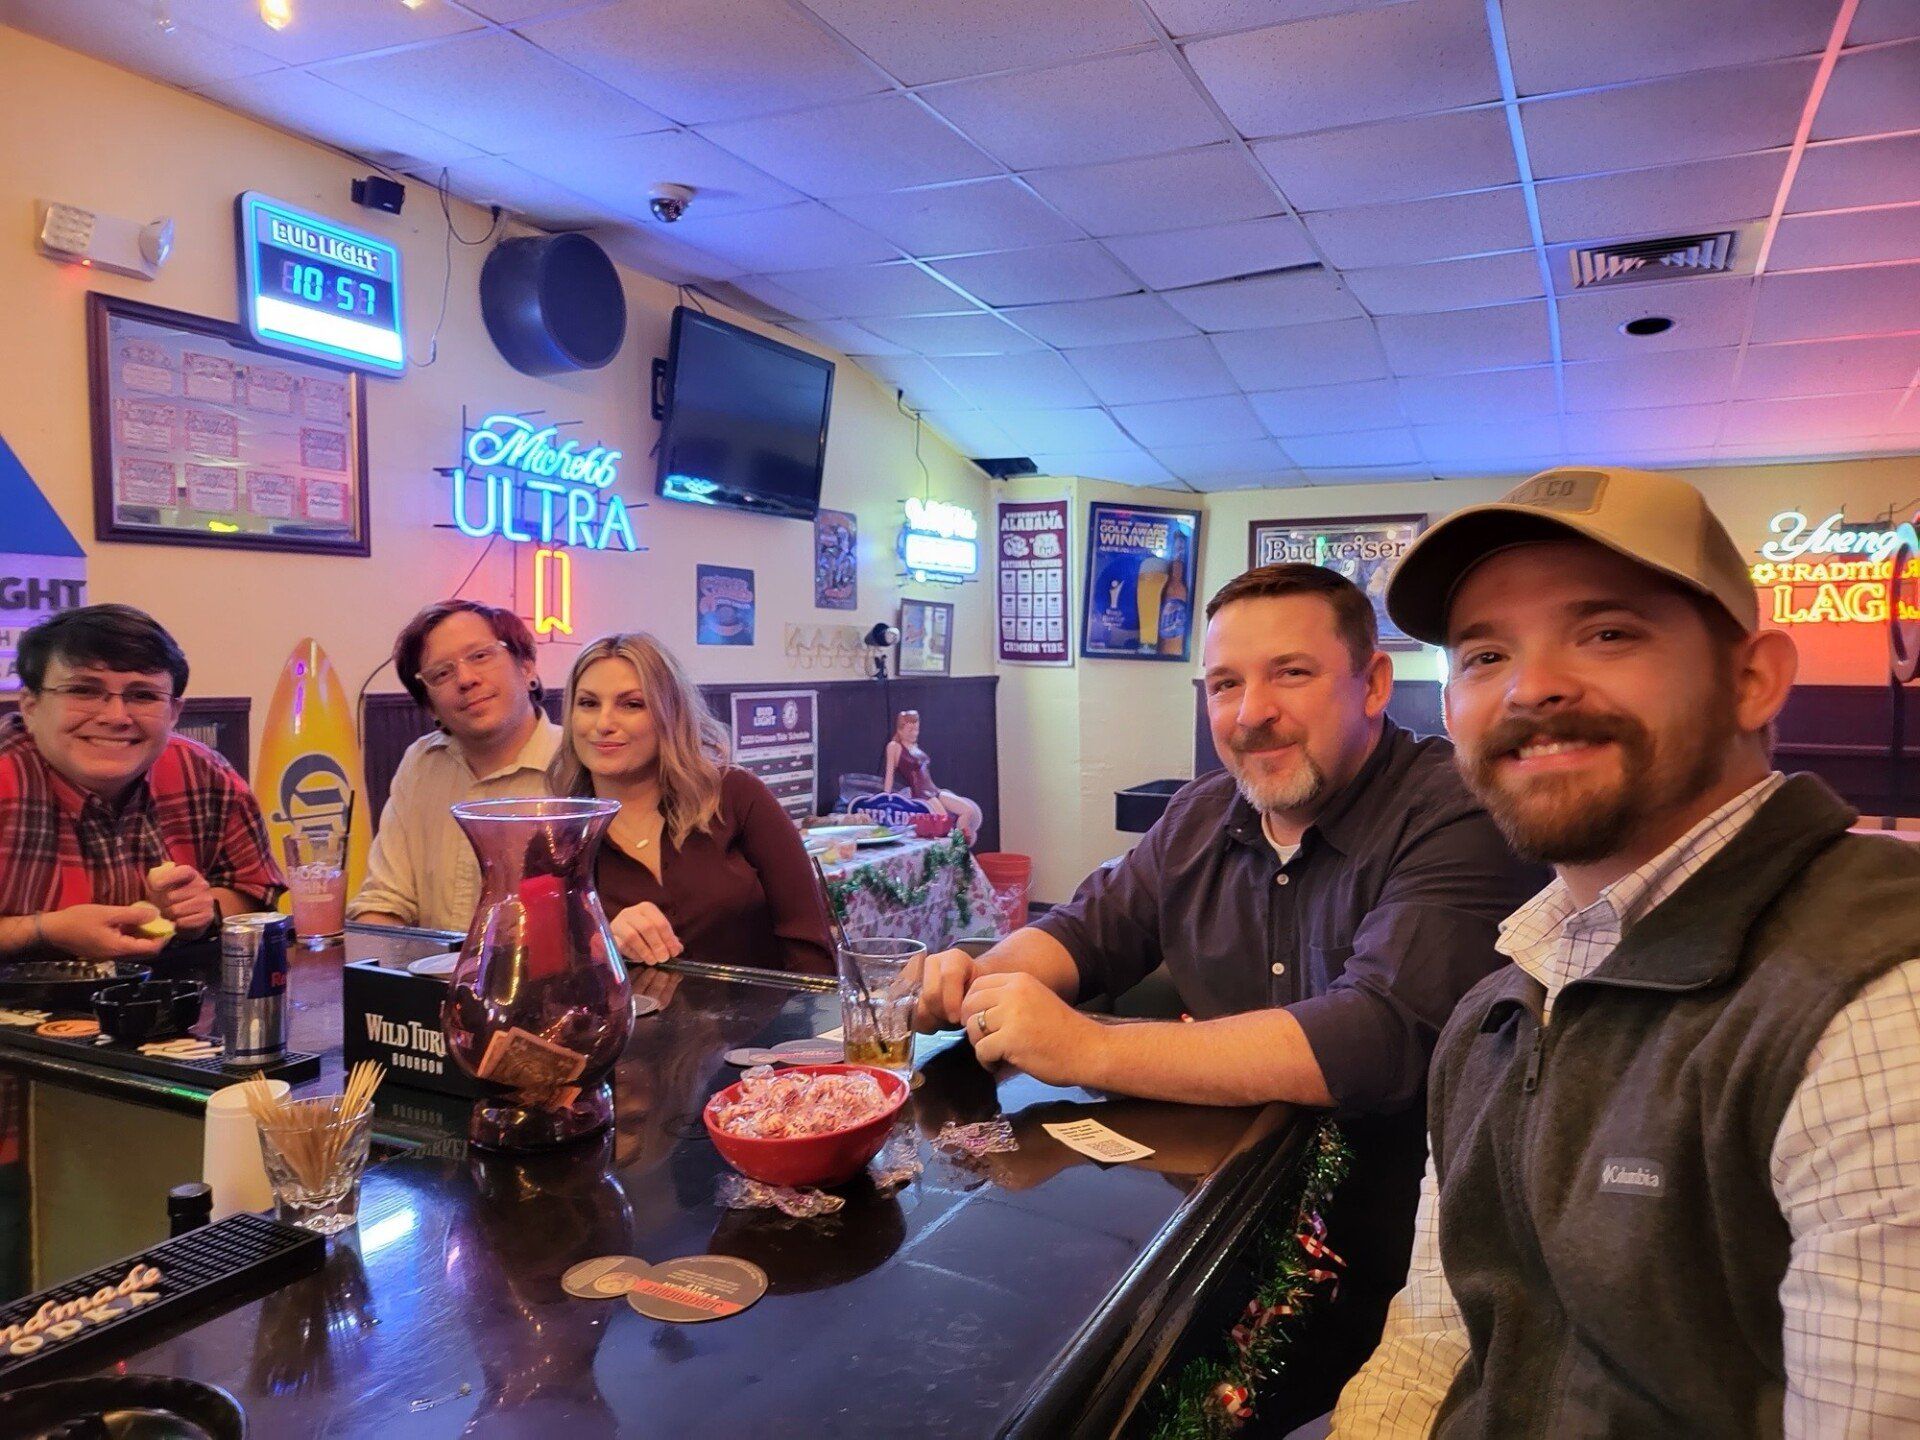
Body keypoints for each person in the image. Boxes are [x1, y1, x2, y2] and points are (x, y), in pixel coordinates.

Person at [1333, 466, 1920, 1436]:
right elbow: (1433, 1344)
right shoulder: (1496, 1012)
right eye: (1484, 654)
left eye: (1607, 632)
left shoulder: (1877, 1005)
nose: (1533, 687)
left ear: (1754, 677)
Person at [915, 563, 1543, 1427]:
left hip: (1393, 1262)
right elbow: (1084, 932)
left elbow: (1378, 1035)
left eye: (1292, 673)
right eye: (1225, 684)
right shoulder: (1201, 815)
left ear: (1373, 684)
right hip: (1213, 1226)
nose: (1252, 713)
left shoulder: (1458, 808)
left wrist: (1087, 1048)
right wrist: (981, 977)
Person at [0, 604, 281, 959]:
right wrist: (45, 930)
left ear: (174, 713)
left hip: (172, 1001)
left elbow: (255, 889)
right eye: (84, 691)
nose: (116, 717)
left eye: (143, 695)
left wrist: (201, 909)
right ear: (30, 706)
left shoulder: (203, 773)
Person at [548, 633, 832, 976]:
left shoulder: (736, 796)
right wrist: (602, 944)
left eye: (632, 704)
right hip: (632, 1029)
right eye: (588, 703)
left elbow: (810, 949)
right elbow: (549, 980)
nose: (604, 724)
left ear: (670, 714)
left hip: (771, 1027)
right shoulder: (558, 836)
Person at [349, 600, 561, 934]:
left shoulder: (576, 765)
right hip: (429, 981)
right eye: (441, 673)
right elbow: (384, 903)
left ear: (527, 667)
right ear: (430, 706)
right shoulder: (421, 764)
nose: (465, 679)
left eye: (480, 656)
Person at [882, 710, 982, 841]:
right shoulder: (894, 746)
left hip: (934, 791)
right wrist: (884, 799)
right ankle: (951, 848)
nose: (914, 733)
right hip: (922, 794)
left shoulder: (914, 746)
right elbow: (890, 774)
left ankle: (959, 844)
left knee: (967, 810)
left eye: (916, 729)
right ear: (900, 730)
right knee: (944, 823)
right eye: (910, 730)